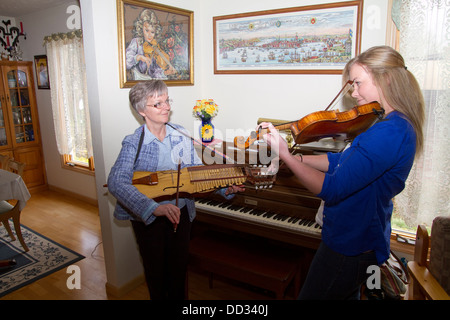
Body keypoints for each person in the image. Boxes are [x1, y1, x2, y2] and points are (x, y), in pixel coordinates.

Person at [259, 46, 425, 300]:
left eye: (358, 83)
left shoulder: (390, 132)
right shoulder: (387, 125)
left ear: (386, 79)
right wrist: (297, 158)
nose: (354, 92)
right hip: (358, 238)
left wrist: (285, 155)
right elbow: (340, 161)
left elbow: (333, 188)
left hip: (352, 244)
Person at [107, 80, 243, 300]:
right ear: (142, 111)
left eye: (166, 100)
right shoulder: (133, 142)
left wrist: (224, 189)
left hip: (181, 216)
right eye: (158, 103)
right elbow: (116, 182)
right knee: (157, 276)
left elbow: (195, 174)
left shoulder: (180, 133)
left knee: (179, 273)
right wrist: (153, 208)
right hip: (149, 221)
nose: (166, 107)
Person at [126, 9, 176, 79]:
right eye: (147, 31)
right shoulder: (136, 42)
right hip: (137, 79)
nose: (149, 35)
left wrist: (165, 73)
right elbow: (126, 63)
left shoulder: (154, 46)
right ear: (141, 28)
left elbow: (155, 72)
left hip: (148, 82)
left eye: (152, 32)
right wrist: (139, 57)